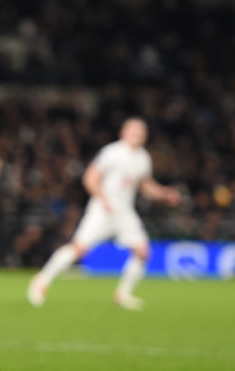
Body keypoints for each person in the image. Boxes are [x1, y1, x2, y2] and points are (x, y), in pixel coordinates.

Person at [27, 117, 180, 311]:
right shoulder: (112, 152)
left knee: (143, 252)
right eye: (134, 131)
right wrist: (103, 198)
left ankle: (122, 294)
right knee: (79, 248)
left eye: (141, 132)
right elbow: (90, 177)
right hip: (103, 208)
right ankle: (42, 279)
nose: (138, 135)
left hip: (124, 210)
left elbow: (145, 186)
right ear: (123, 132)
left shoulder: (143, 158)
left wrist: (165, 194)